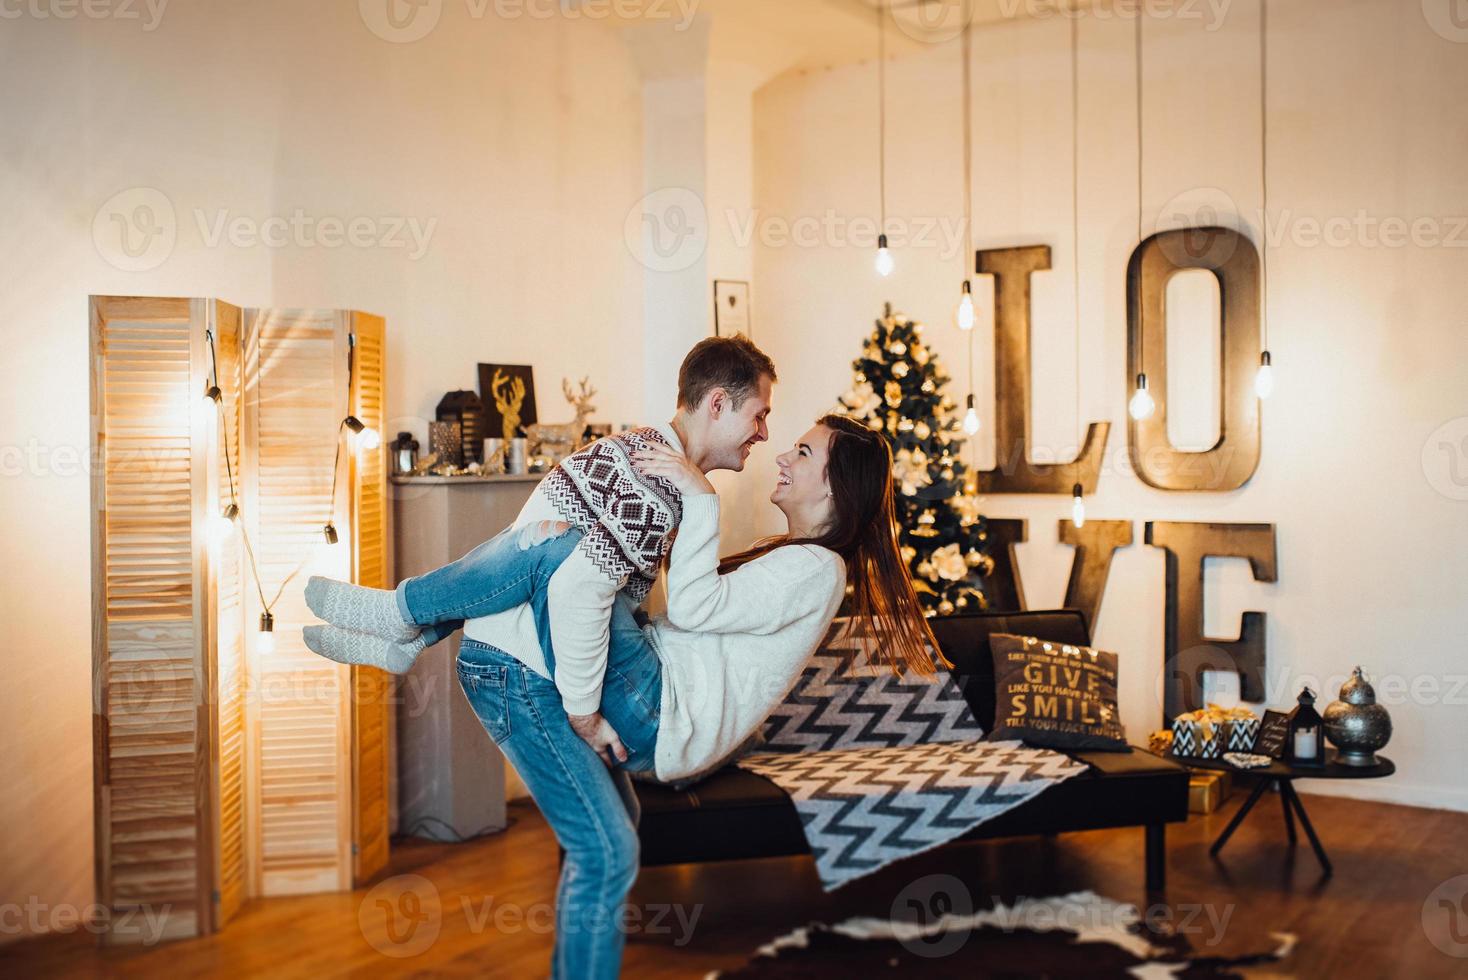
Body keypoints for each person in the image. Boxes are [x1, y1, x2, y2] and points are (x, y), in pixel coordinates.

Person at [305, 414, 936, 979]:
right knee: (561, 550)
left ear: (832, 484)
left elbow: (692, 607)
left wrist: (698, 496)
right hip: (657, 694)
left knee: (563, 548)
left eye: (802, 451)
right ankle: (409, 631)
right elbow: (690, 621)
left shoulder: (816, 569)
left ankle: (403, 615)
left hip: (659, 711)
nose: (780, 453)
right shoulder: (801, 560)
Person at [303, 334, 776, 762]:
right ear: (717, 403)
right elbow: (568, 580)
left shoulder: (650, 457)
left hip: (544, 645)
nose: (764, 433)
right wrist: (584, 713)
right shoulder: (656, 483)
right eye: (759, 415)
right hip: (533, 659)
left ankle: (412, 627)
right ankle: (405, 615)